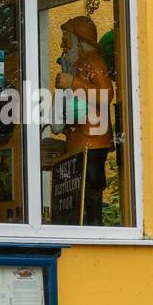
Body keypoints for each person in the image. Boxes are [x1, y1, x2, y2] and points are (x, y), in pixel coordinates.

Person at [54, 15, 114, 225]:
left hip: (92, 138)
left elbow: (106, 94)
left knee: (91, 185)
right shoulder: (75, 64)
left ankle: (93, 225)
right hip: (77, 137)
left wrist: (74, 82)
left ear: (80, 41)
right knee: (76, 189)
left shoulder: (93, 62)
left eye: (66, 37)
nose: (62, 43)